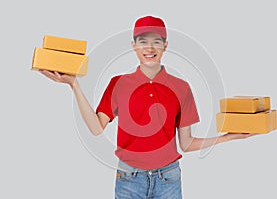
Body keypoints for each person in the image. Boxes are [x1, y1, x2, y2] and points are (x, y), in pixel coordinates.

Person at [40, 15, 255, 199]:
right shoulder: (118, 84)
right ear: (133, 45)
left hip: (168, 180)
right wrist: (74, 85)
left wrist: (229, 136)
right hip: (128, 180)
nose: (149, 48)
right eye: (143, 41)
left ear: (165, 45)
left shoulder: (181, 88)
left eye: (156, 42)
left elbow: (187, 144)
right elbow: (96, 128)